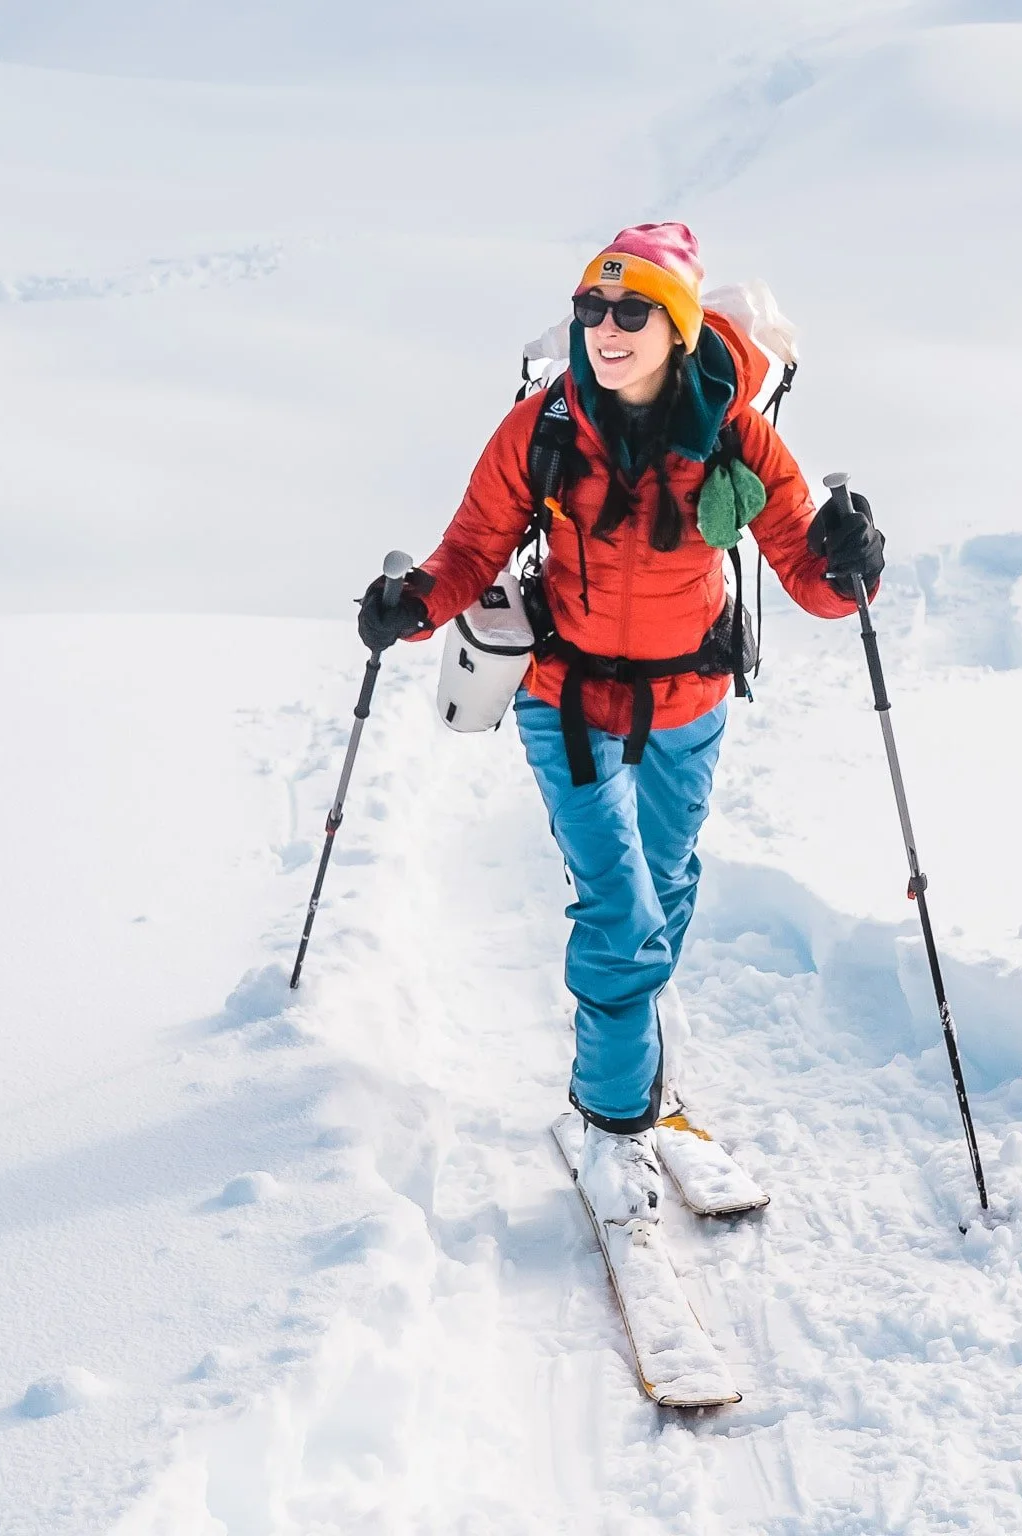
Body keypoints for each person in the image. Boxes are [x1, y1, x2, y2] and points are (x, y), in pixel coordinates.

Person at [354, 223, 885, 1230]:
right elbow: (470, 548)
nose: (605, 327)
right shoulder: (542, 428)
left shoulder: (735, 436)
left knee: (668, 888)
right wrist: (412, 603)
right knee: (621, 911)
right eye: (590, 309)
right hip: (569, 702)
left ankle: (634, 1064)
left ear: (676, 327)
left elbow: (815, 586)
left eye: (631, 310)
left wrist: (855, 554)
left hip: (690, 701)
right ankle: (611, 1124)